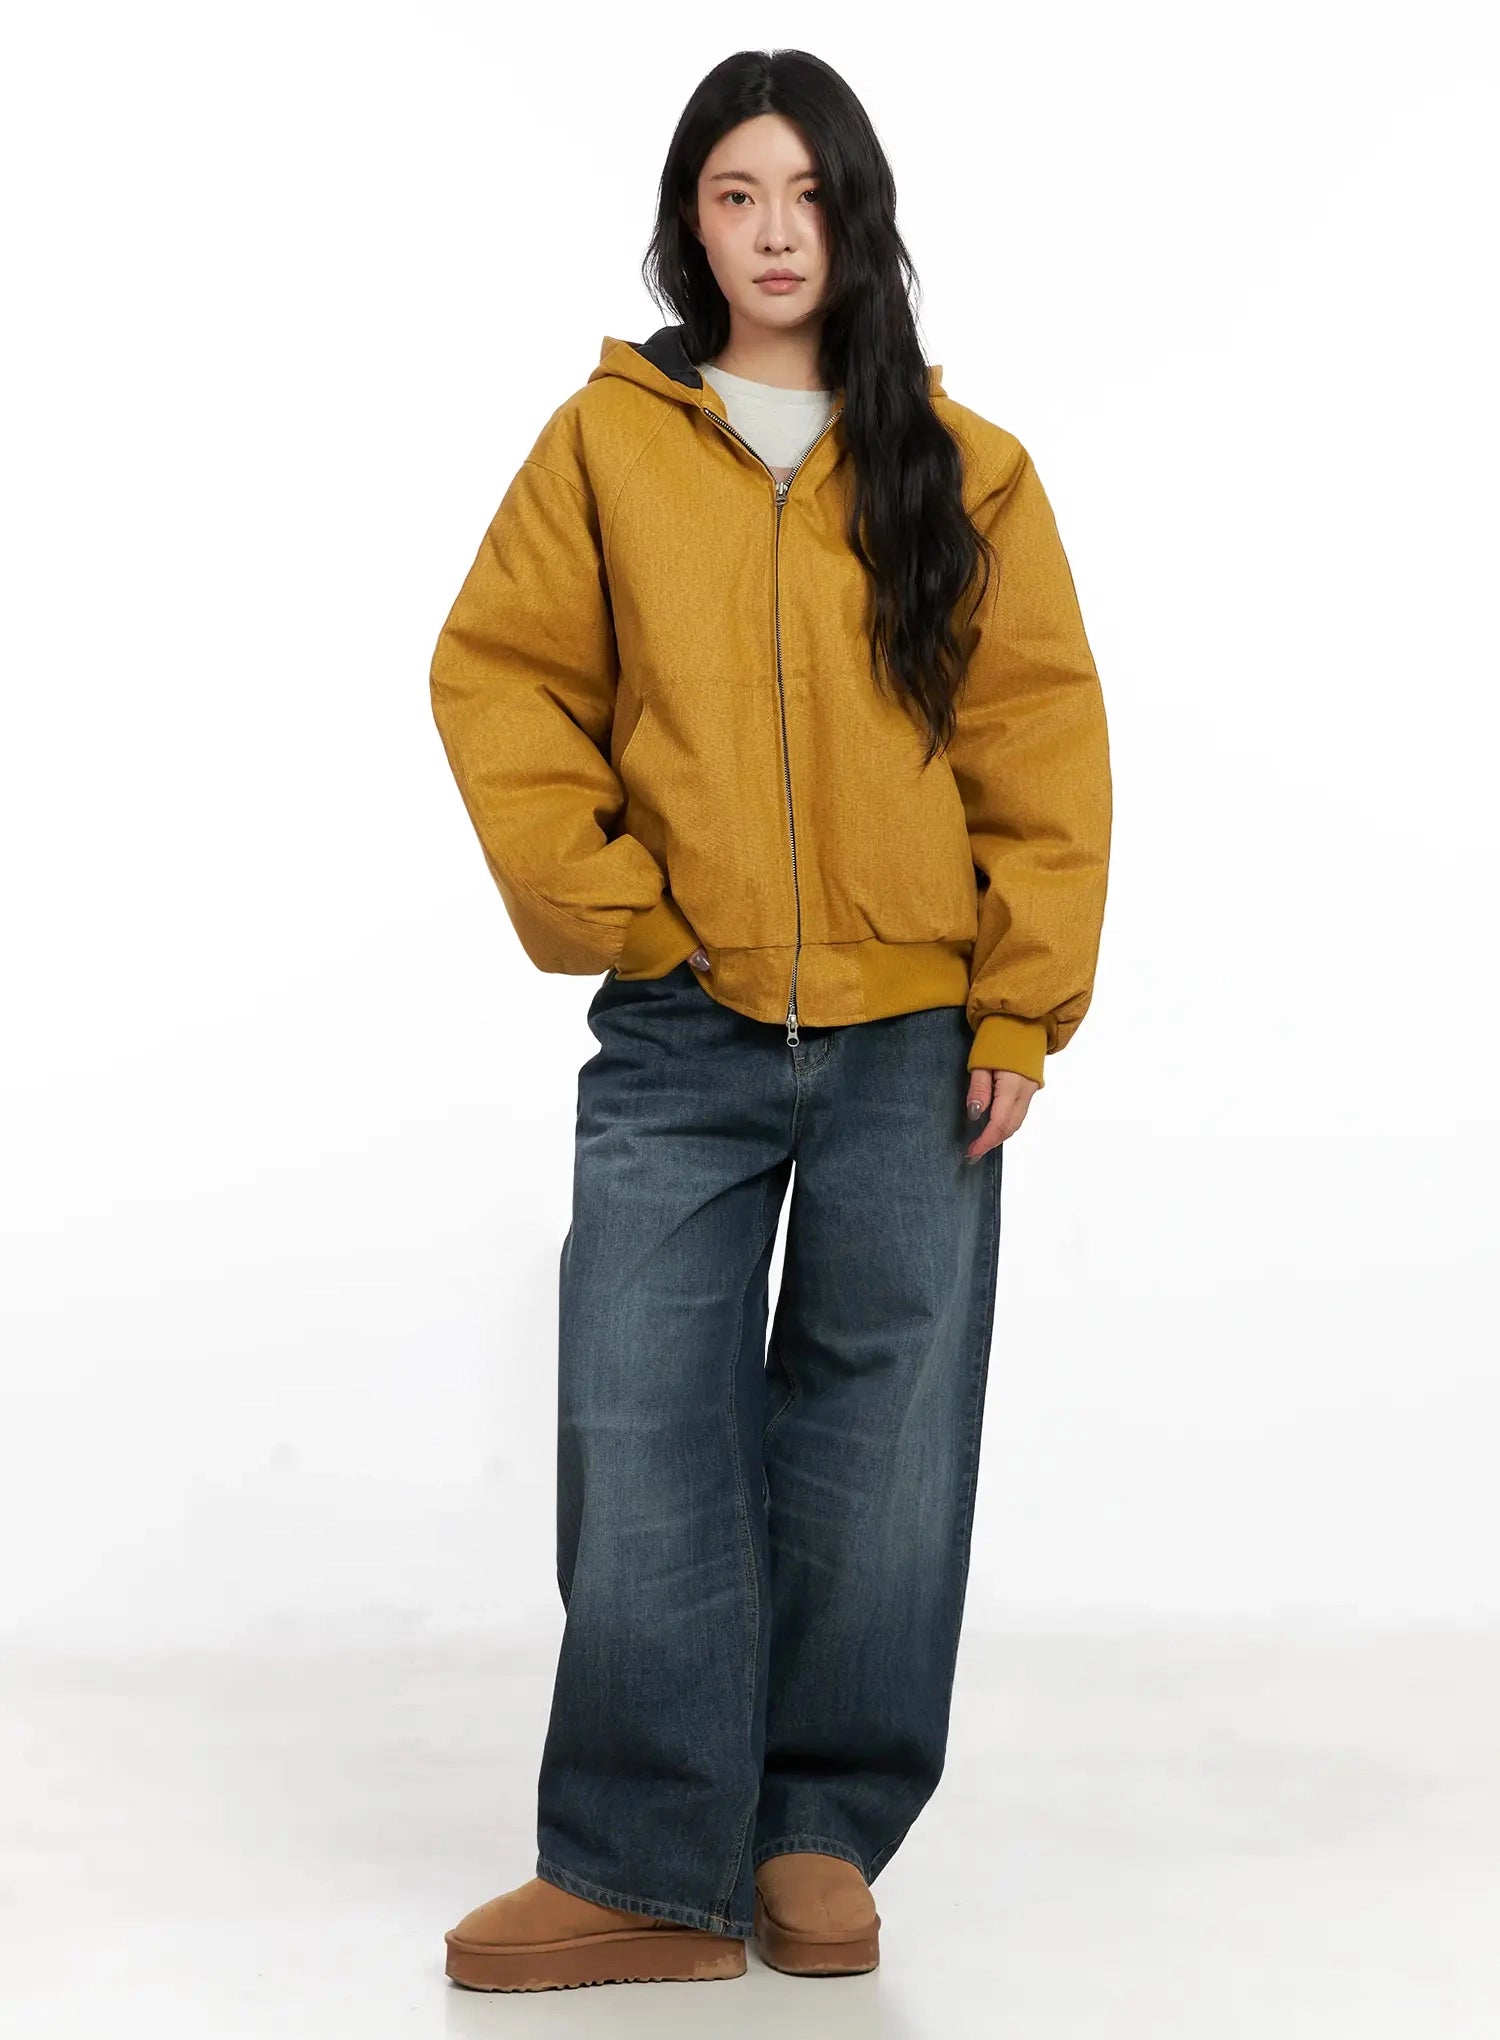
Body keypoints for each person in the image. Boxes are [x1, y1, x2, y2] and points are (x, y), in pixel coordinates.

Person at [427, 46, 1112, 1994]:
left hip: (920, 1033)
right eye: (737, 195)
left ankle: (813, 1831)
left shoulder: (965, 466)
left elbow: (1035, 736)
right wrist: (622, 920)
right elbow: (498, 680)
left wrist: (1022, 1001)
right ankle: (646, 1864)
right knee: (643, 1414)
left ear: (858, 217)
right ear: (691, 224)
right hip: (685, 1024)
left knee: (880, 1439)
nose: (775, 231)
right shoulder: (608, 444)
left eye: (808, 194)